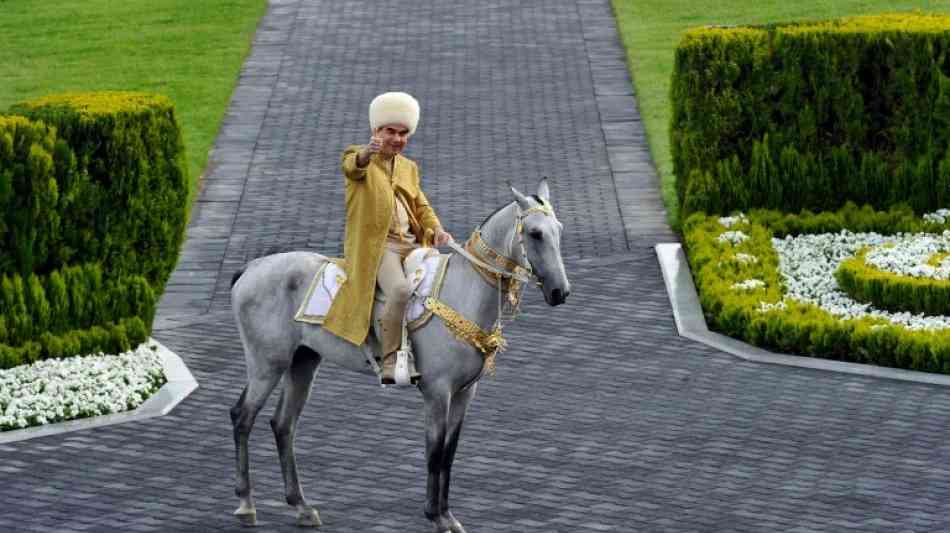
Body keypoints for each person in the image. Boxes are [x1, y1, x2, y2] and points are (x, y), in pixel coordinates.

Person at [323, 91, 453, 384]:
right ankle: (391, 359)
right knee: (401, 291)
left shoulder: (409, 167)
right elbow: (352, 167)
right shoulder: (358, 156)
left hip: (413, 245)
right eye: (390, 131)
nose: (396, 138)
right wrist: (367, 153)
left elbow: (421, 205)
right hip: (381, 248)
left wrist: (438, 229)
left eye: (403, 133)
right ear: (376, 131)